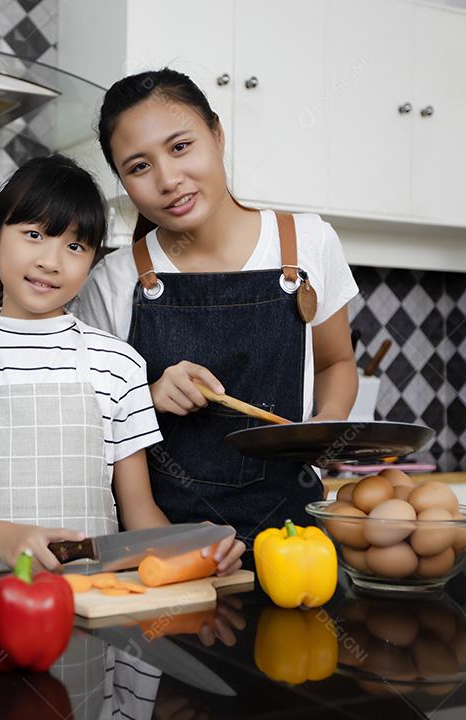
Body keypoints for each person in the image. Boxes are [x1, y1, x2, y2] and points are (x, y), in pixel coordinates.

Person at [0, 154, 246, 574]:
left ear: (93, 259)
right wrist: (1, 535)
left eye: (75, 245)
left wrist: (194, 548)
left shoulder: (120, 366)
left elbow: (139, 516)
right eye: (34, 235)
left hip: (98, 604)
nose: (51, 261)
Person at [71, 69, 359, 557]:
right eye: (139, 167)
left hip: (293, 541)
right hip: (164, 547)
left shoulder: (309, 242)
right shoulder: (113, 281)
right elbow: (89, 426)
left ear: (217, 133)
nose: (168, 179)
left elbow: (337, 363)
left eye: (180, 147)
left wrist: (324, 428)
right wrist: (149, 396)